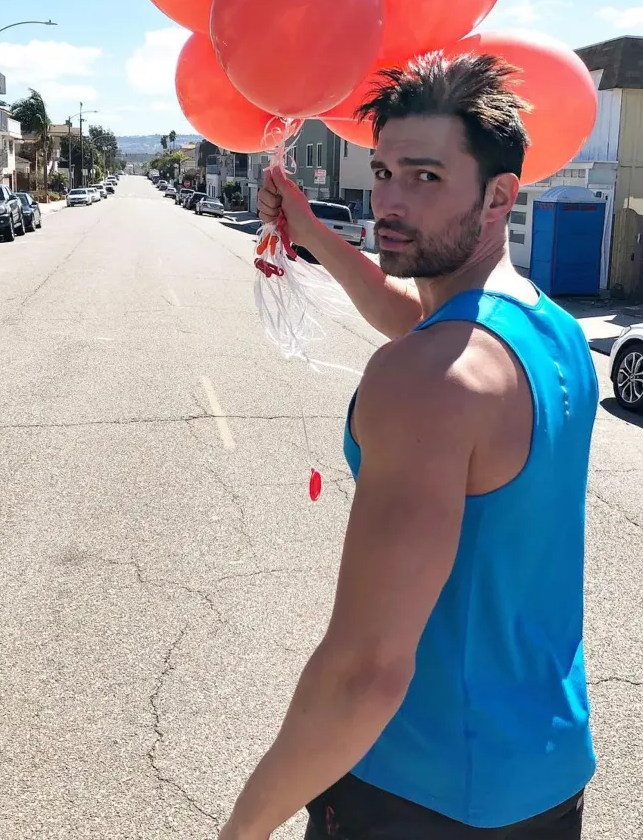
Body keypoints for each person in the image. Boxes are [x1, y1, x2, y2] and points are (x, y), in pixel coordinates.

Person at [220, 53, 598, 840]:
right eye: (384, 169)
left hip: (417, 792)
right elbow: (418, 317)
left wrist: (241, 829)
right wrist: (311, 228)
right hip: (546, 776)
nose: (388, 199)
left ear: (500, 197)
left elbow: (365, 671)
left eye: (424, 177)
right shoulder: (548, 332)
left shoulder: (427, 379)